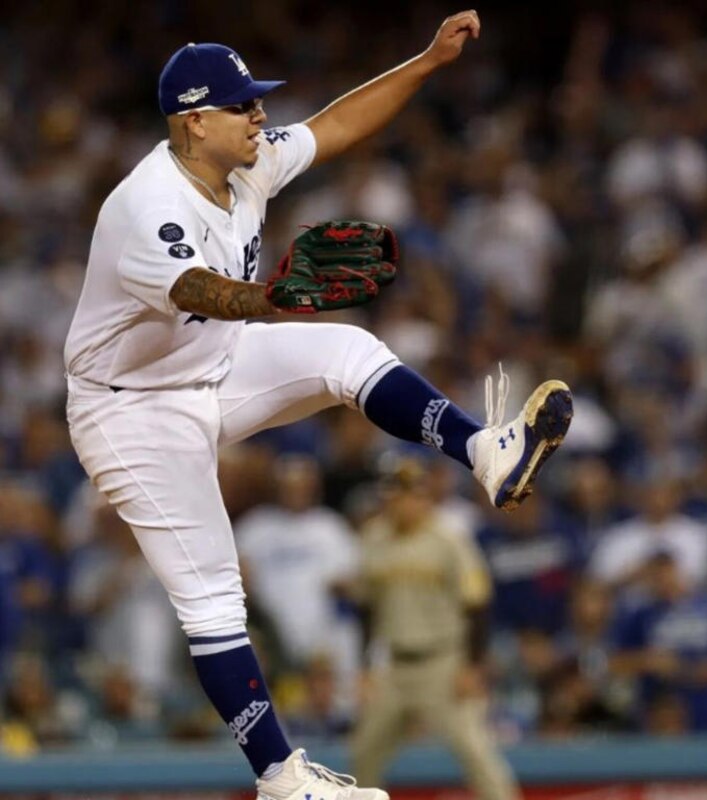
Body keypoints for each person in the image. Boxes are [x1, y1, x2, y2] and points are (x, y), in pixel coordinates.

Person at [63, 12, 572, 800]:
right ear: (196, 121)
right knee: (212, 596)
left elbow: (337, 124)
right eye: (244, 105)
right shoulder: (146, 205)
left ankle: (483, 451)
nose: (261, 116)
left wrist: (427, 62)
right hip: (130, 411)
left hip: (210, 367)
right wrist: (270, 298)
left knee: (349, 352)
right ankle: (282, 779)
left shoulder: (246, 163)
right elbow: (196, 290)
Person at [351, 457, 521, 800]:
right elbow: (367, 608)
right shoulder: (373, 537)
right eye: (395, 494)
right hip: (394, 667)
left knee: (476, 755)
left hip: (444, 665)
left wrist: (472, 666)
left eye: (411, 494)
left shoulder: (449, 538)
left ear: (423, 496)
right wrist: (366, 667)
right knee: (363, 755)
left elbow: (477, 605)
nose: (402, 502)